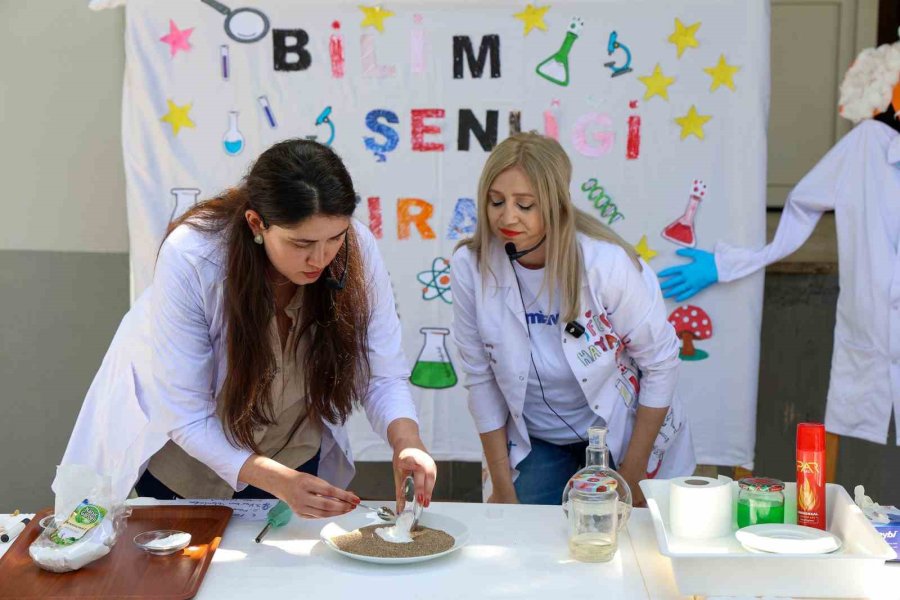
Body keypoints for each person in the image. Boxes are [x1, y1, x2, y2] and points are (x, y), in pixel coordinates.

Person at [62, 139, 436, 517]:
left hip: (295, 454)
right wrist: (276, 480)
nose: (321, 258)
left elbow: (381, 373)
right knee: (192, 570)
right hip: (189, 467)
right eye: (301, 243)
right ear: (257, 223)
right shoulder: (192, 256)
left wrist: (407, 442)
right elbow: (186, 415)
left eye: (334, 238)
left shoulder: (356, 250)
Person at [657, 32, 900, 448]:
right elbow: (801, 205)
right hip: (873, 326)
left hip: (874, 323)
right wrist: (729, 263)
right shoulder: (867, 147)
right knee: (841, 454)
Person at [451, 133, 695, 506]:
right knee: (523, 542)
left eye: (525, 205)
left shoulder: (604, 263)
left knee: (623, 548)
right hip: (538, 439)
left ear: (556, 204)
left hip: (620, 435)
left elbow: (660, 364)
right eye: (496, 201)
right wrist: (503, 487)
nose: (507, 217)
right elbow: (481, 379)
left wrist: (632, 474)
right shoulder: (472, 267)